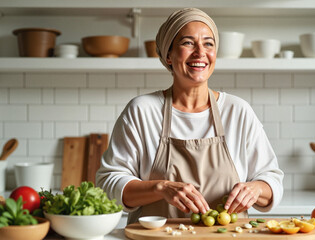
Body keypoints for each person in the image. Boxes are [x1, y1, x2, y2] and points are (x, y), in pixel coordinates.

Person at [96, 8, 284, 224]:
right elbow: (107, 184)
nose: (200, 52)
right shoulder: (142, 111)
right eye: (188, 43)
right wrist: (161, 187)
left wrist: (255, 189)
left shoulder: (237, 111)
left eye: (208, 43)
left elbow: (272, 180)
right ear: (168, 54)